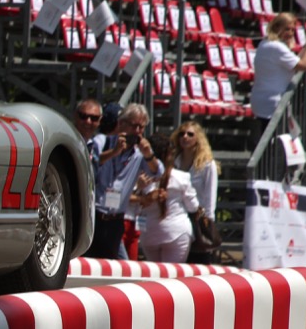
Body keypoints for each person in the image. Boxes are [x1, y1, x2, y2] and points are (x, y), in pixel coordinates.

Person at [85, 103, 162, 260]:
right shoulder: (103, 141)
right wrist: (114, 152)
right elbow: (88, 161)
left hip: (116, 220)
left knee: (116, 268)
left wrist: (148, 154)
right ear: (121, 124)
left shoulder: (140, 153)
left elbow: (158, 172)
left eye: (142, 127)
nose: (138, 132)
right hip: (94, 216)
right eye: (134, 126)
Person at [132, 133, 200, 263]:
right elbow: (193, 207)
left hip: (149, 233)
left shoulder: (141, 178)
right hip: (177, 232)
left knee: (154, 278)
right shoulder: (181, 177)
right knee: (173, 278)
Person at [251, 13, 306, 135]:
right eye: (287, 29)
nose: (291, 33)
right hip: (272, 103)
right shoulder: (277, 47)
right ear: (276, 27)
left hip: (262, 100)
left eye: (293, 30)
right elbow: (303, 65)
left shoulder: (265, 43)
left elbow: (297, 61)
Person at [169, 120, 219, 264]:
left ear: (198, 139)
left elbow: (210, 196)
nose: (185, 137)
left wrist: (208, 223)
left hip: (198, 217)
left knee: (198, 260)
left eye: (190, 134)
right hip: (178, 215)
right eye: (182, 134)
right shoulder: (174, 161)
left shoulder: (208, 165)